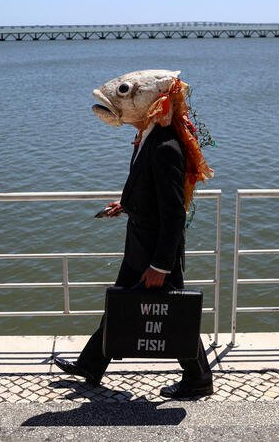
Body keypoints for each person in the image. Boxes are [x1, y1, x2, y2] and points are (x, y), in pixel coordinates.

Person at [53, 70, 214, 399]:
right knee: (119, 305)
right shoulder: (149, 137)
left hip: (156, 251)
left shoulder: (165, 146)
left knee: (174, 316)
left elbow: (173, 214)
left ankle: (198, 378)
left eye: (127, 93)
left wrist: (160, 265)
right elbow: (152, 194)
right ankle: (90, 365)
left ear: (154, 101)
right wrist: (127, 204)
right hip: (140, 243)